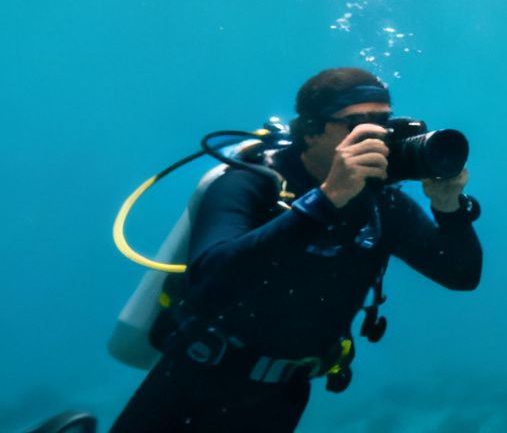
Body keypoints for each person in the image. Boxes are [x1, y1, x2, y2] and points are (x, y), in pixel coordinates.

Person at [107, 68, 482, 432]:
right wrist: (327, 199)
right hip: (195, 379)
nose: (378, 137)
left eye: (384, 123)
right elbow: (210, 280)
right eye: (358, 124)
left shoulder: (383, 205)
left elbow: (461, 274)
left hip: (282, 397)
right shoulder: (251, 183)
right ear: (311, 132)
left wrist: (450, 211)